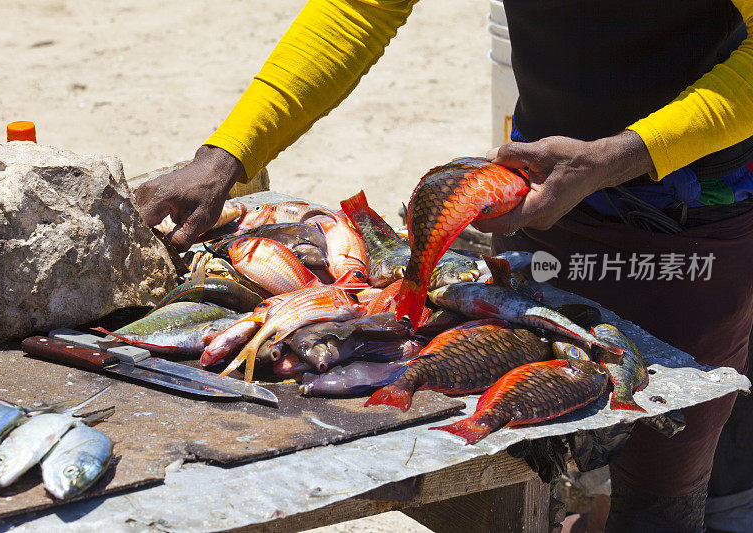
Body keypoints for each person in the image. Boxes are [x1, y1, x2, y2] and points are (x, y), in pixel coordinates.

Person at [135, 1, 753, 530]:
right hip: (539, 184)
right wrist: (227, 154)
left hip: (693, 214)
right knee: (553, 432)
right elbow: (358, 11)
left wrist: (617, 158)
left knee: (666, 471)